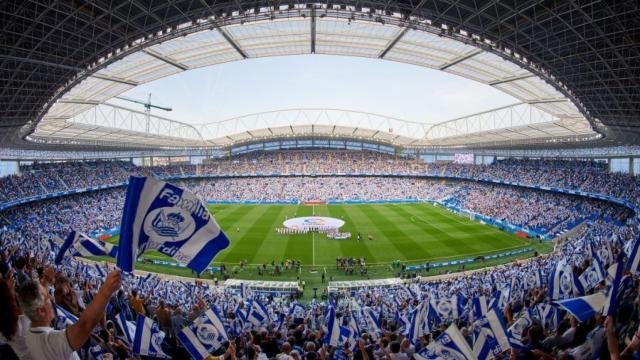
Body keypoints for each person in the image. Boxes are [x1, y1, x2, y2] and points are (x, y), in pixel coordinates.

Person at [17, 270, 121, 360]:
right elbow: (85, 326)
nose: (51, 299)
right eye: (48, 298)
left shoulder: (29, 330)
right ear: (41, 311)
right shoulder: (50, 342)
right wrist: (106, 289)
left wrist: (45, 280)